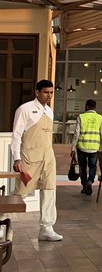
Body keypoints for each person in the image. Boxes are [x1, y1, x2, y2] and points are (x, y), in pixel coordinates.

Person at [12, 79, 62, 241]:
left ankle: (47, 228)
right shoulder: (24, 109)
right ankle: (1, 221)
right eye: (46, 92)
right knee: (20, 192)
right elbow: (16, 135)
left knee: (49, 190)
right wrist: (17, 158)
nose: (49, 96)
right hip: (30, 158)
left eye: (51, 92)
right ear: (37, 92)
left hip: (48, 157)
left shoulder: (49, 111)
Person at [71, 98, 102, 196]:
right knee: (93, 166)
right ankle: (90, 181)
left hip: (82, 146)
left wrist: (73, 148)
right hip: (94, 147)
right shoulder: (100, 118)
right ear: (95, 107)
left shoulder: (81, 117)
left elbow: (76, 134)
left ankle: (84, 185)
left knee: (82, 167)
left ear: (86, 106)